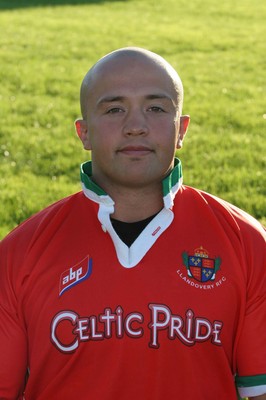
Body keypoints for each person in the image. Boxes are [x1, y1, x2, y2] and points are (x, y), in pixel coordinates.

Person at [0, 47, 265, 400]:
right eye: (114, 109)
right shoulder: (19, 253)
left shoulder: (247, 244)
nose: (136, 127)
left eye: (156, 108)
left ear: (181, 128)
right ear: (84, 133)